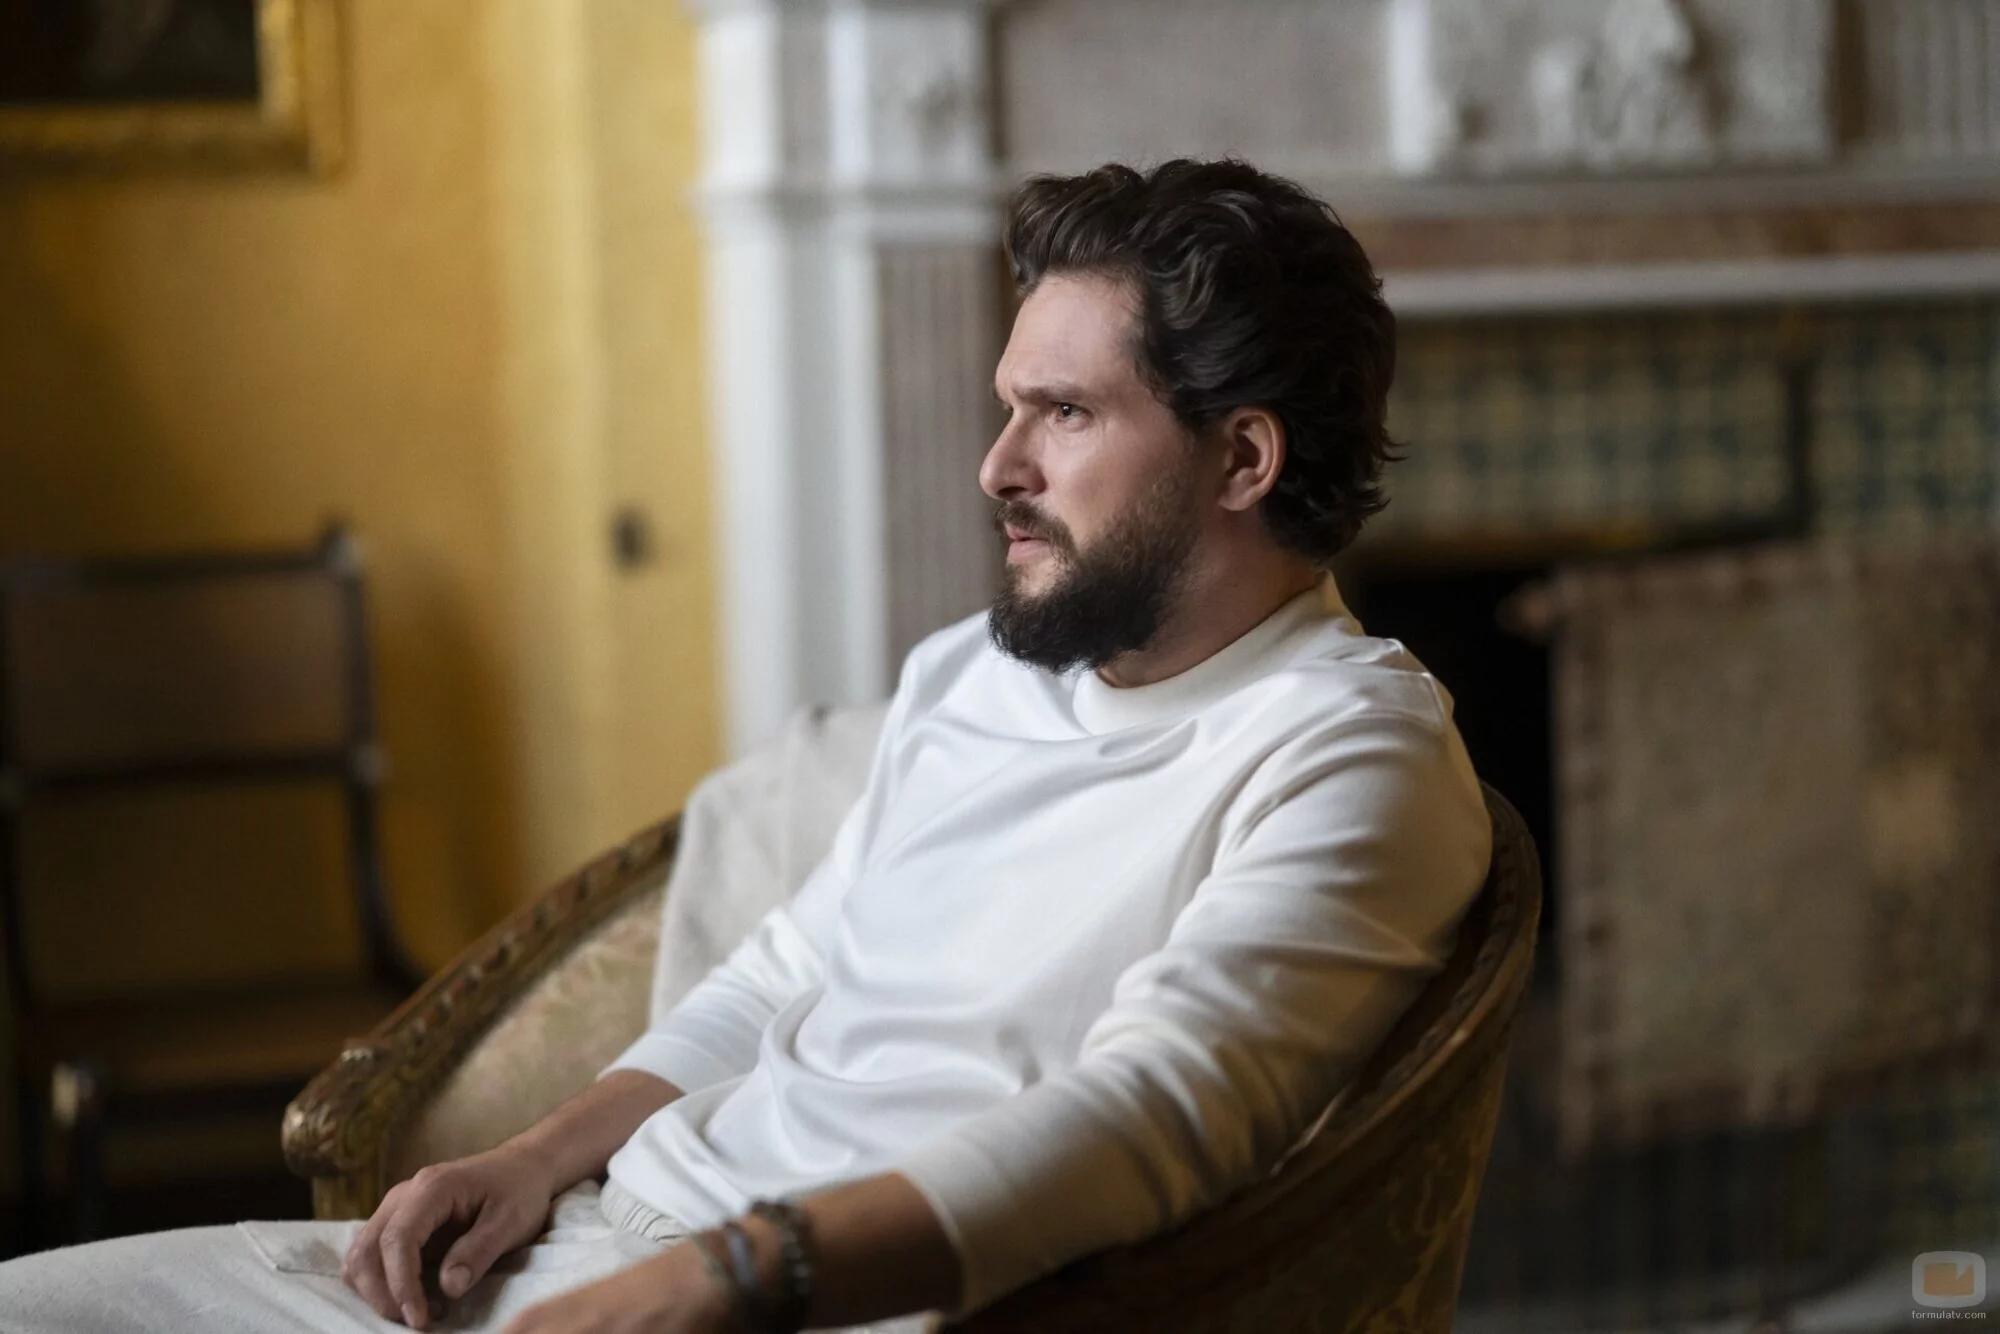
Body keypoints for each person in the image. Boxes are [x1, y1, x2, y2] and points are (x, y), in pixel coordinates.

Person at [0, 158, 1490, 1334]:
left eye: (1065, 413)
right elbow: (786, 970)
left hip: (803, 1302)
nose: (998, 466)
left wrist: (722, 1281)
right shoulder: (977, 670)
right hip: (606, 1244)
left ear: (1244, 457)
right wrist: (531, 1163)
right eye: (1007, 408)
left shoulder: (1346, 751)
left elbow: (1156, 1114)